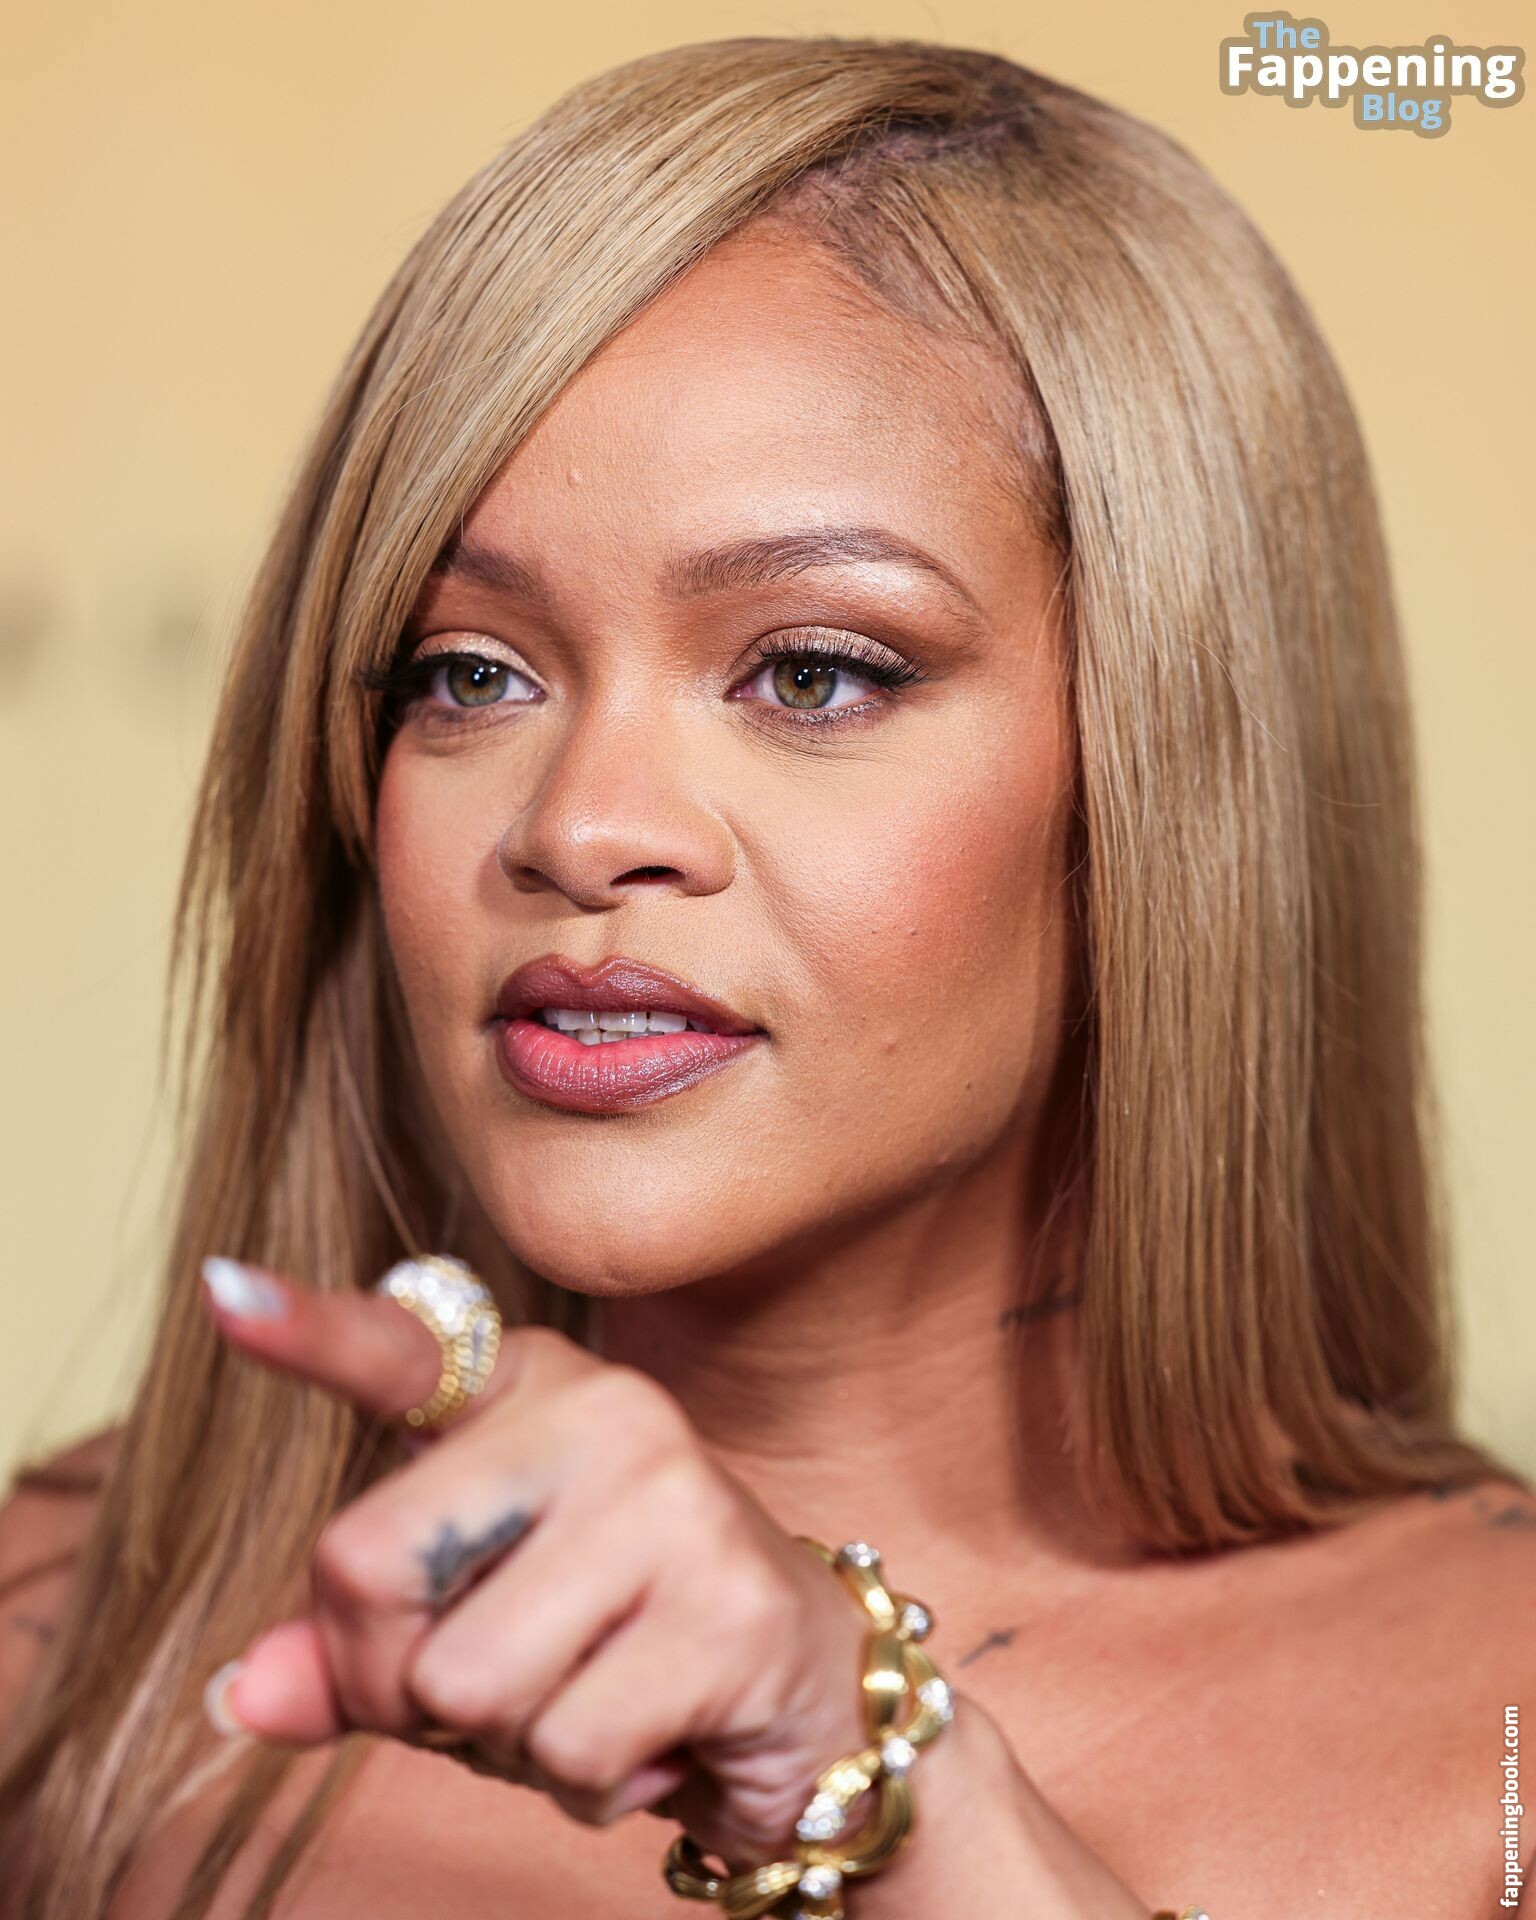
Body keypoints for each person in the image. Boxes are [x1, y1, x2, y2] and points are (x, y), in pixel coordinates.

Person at [0, 33, 1531, 1920]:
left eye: (813, 673)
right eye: (470, 672)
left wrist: (881, 1781)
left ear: (1174, 779)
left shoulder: (1502, 1746)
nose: (581, 826)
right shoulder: (62, 1658)